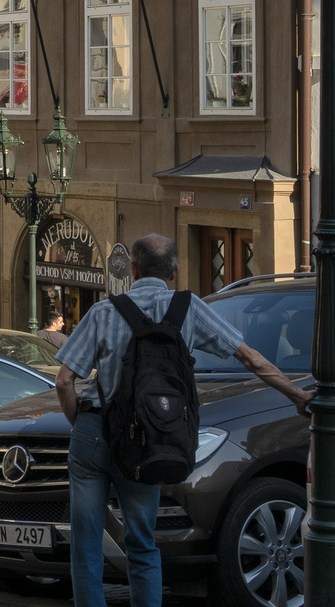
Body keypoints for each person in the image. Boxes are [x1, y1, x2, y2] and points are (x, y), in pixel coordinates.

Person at [55, 234, 312, 607]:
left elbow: (64, 380)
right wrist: (300, 397)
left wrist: (82, 423)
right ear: (174, 272)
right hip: (148, 437)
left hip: (95, 431)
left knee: (86, 542)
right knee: (142, 542)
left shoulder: (104, 312)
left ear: (132, 270)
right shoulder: (188, 308)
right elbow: (250, 359)